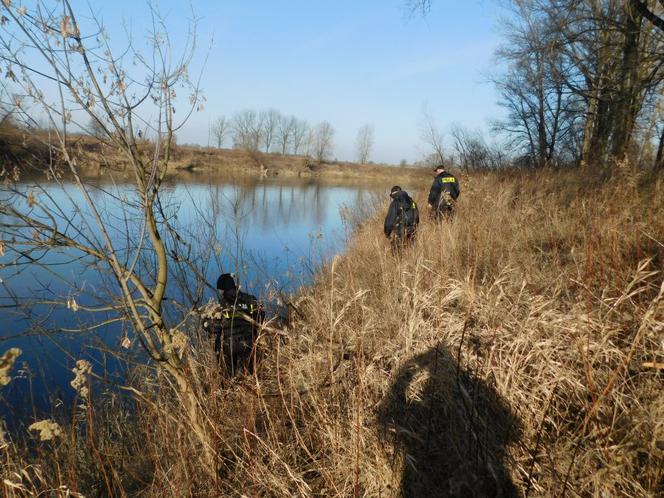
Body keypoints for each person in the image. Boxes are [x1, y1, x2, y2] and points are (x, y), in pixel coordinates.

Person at [201, 273, 264, 375]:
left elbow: (207, 323)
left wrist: (209, 325)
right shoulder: (250, 299)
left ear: (222, 290)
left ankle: (229, 387)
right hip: (248, 340)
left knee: (227, 378)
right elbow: (261, 315)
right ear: (234, 286)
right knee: (252, 375)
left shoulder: (219, 305)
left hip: (226, 344)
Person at [384, 186, 419, 251]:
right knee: (411, 250)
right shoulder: (412, 202)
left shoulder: (395, 203)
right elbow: (417, 217)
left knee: (396, 252)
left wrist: (387, 233)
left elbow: (390, 220)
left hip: (400, 231)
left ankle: (397, 261)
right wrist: (414, 227)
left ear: (393, 194)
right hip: (412, 230)